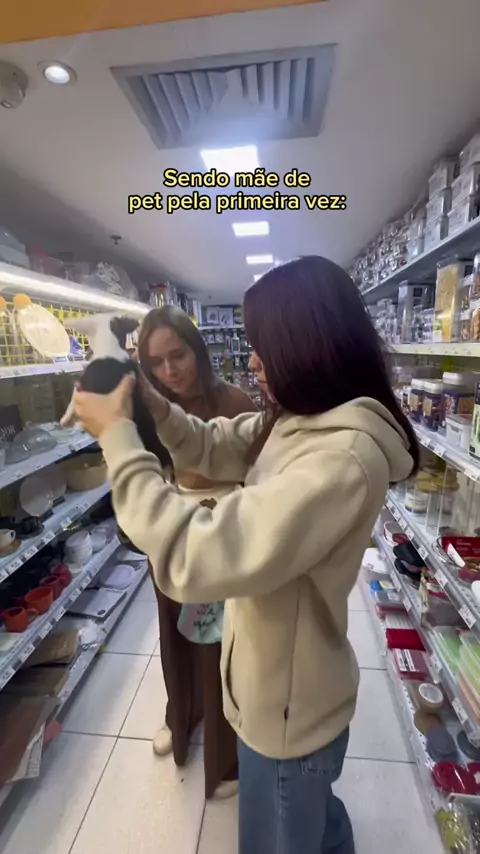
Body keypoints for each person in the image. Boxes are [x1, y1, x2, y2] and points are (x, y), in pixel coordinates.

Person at [70, 256, 418, 854]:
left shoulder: (339, 460)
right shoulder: (299, 422)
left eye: (263, 346)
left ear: (307, 346)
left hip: (288, 713)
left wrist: (117, 438)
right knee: (318, 824)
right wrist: (146, 399)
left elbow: (197, 554)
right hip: (277, 684)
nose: (253, 360)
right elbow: (211, 443)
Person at [135, 306, 257, 800]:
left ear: (198, 350)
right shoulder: (149, 409)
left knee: (221, 644)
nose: (170, 370)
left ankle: (226, 756)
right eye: (156, 362)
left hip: (224, 539)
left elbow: (257, 478)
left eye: (178, 355)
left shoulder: (234, 401)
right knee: (175, 635)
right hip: (172, 534)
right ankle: (180, 717)